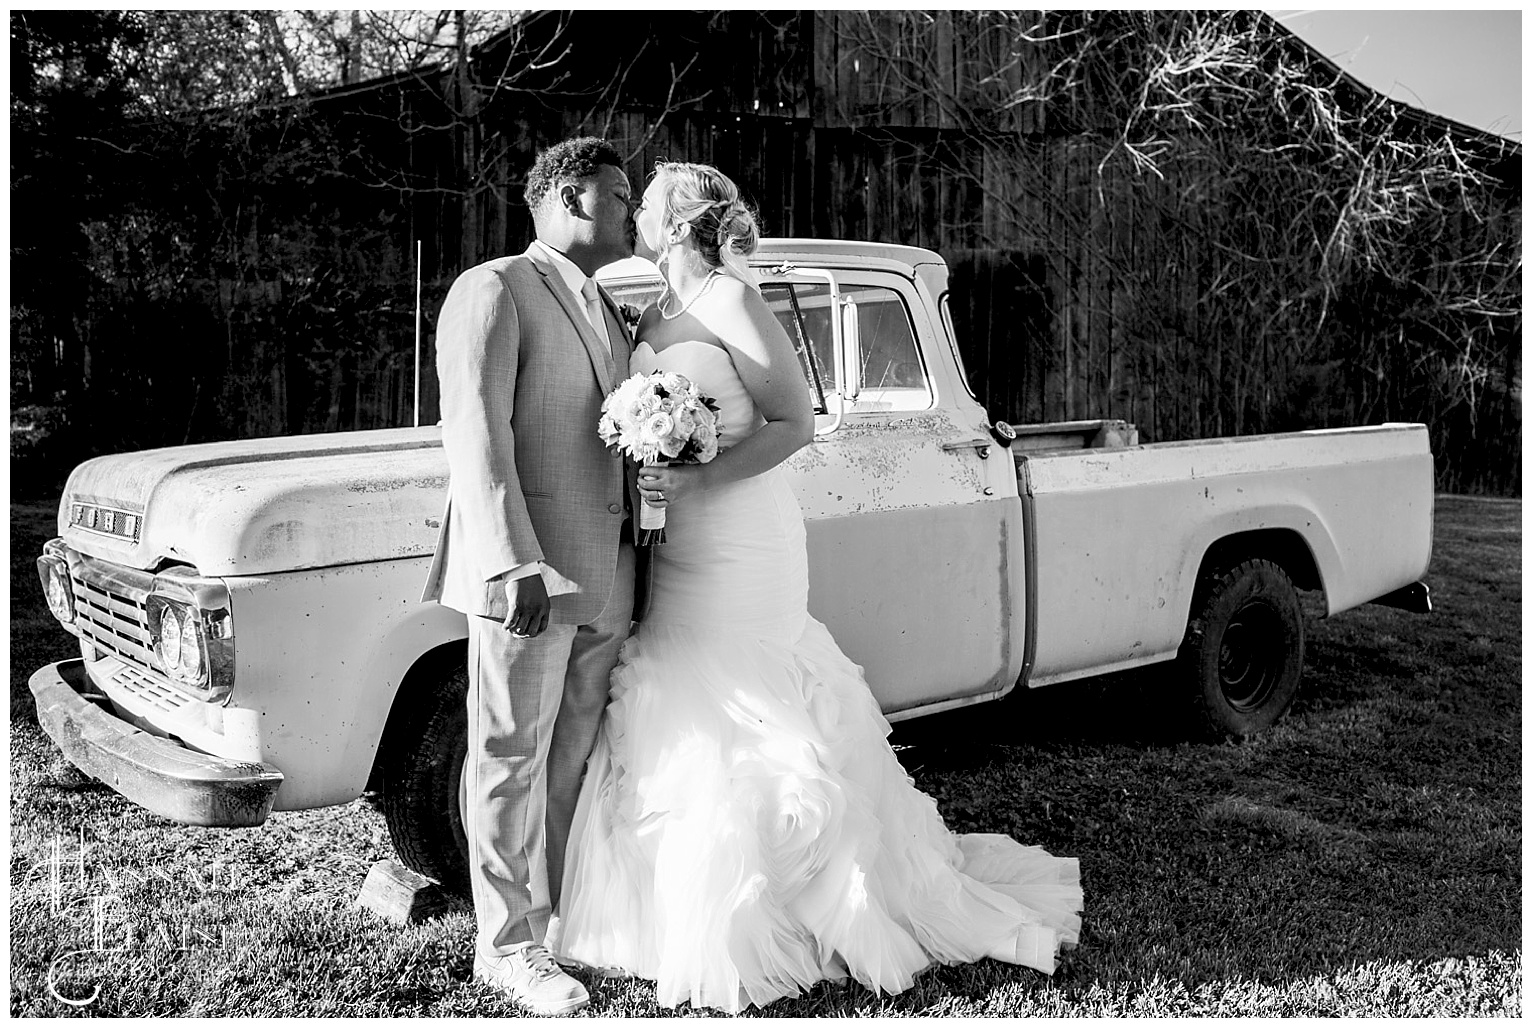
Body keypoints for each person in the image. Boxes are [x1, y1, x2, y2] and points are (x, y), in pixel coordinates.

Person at [550, 161, 1084, 1013]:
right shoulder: (649, 310)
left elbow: (795, 422)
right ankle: (660, 907)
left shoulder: (731, 300)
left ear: (681, 221)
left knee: (749, 691)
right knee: (675, 689)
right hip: (675, 540)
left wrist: (700, 474)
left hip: (740, 536)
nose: (635, 209)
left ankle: (798, 904)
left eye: (647, 200)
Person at [420, 137, 640, 1016]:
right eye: (621, 195)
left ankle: (555, 921)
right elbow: (476, 438)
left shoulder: (612, 309)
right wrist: (511, 560)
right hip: (533, 575)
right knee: (507, 754)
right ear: (568, 196)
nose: (631, 211)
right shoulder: (496, 288)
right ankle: (506, 947)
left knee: (574, 752)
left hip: (613, 570)